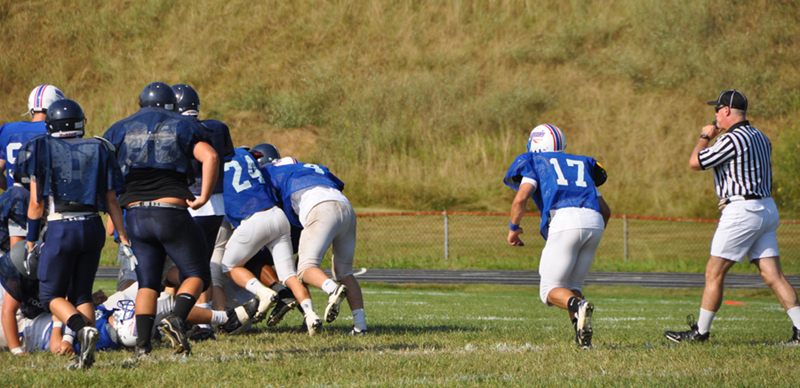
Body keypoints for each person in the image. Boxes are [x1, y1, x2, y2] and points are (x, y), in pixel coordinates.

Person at [664, 89, 800, 344]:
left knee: (714, 272)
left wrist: (705, 136)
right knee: (773, 275)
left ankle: (700, 333)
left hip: (742, 210)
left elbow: (695, 162)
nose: (715, 114)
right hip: (767, 207)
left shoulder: (731, 139)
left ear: (726, 111)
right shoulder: (761, 136)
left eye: (717, 109)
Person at [103, 81, 218, 357]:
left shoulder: (120, 128)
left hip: (136, 214)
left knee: (148, 283)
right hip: (170, 211)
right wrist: (203, 197)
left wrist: (114, 216)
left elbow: (106, 174)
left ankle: (143, 346)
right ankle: (177, 319)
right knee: (197, 273)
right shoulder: (182, 123)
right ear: (171, 105)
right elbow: (211, 156)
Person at [14, 98, 130, 369]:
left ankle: (81, 329)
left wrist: (31, 241)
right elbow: (112, 200)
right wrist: (123, 236)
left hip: (60, 227)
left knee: (50, 296)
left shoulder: (41, 148)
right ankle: (84, 354)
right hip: (92, 227)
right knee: (82, 294)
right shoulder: (98, 148)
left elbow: (35, 204)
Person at [504, 124, 610, 349]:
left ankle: (578, 306)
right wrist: (592, 232)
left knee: (549, 290)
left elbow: (520, 198)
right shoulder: (580, 164)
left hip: (565, 219)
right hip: (595, 220)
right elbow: (606, 210)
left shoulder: (536, 161)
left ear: (536, 143)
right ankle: (583, 340)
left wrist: (514, 228)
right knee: (572, 285)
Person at [265, 147, 367, 335]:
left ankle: (332, 289)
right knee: (344, 271)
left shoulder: (270, 171)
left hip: (319, 208)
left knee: (304, 269)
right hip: (346, 207)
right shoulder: (310, 167)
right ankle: (360, 326)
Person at [218, 146, 317, 334]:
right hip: (277, 216)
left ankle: (264, 294)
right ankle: (311, 315)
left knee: (228, 266)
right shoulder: (246, 156)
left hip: (252, 220)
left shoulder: (212, 161)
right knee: (289, 274)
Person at [0, 85, 65, 247]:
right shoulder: (54, 131)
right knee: (47, 261)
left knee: (17, 257)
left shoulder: (8, 130)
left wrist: (10, 187)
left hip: (17, 201)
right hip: (47, 204)